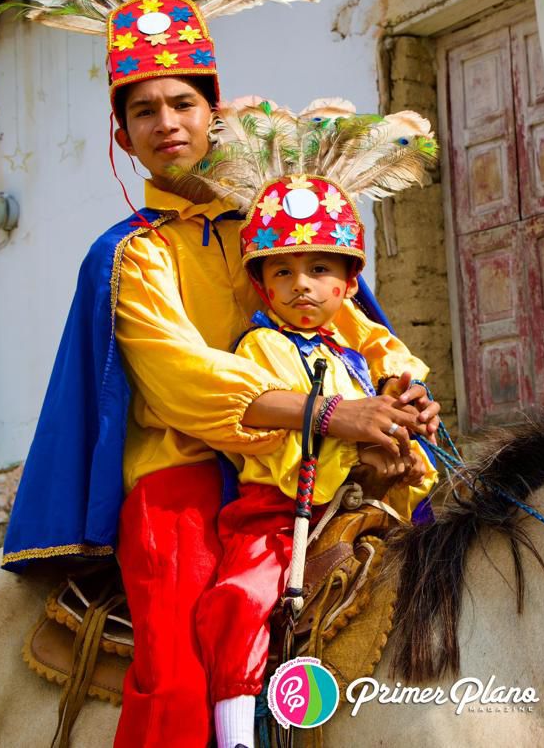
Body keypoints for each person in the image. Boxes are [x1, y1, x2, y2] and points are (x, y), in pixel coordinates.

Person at [0, 0, 441, 748]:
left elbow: (351, 322)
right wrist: (327, 414)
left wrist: (400, 382)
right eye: (143, 110)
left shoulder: (272, 232)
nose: (166, 122)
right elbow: (179, 383)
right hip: (181, 476)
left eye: (183, 103)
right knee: (179, 656)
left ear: (213, 109)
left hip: (311, 464)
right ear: (122, 135)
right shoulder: (131, 253)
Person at [185, 104, 440, 747]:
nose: (302, 285)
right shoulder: (261, 349)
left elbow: (377, 426)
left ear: (350, 284)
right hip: (276, 517)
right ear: (262, 285)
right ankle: (236, 731)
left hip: (354, 508)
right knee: (240, 601)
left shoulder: (355, 359)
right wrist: (351, 431)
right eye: (282, 271)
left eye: (320, 269)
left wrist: (405, 430)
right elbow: (272, 413)